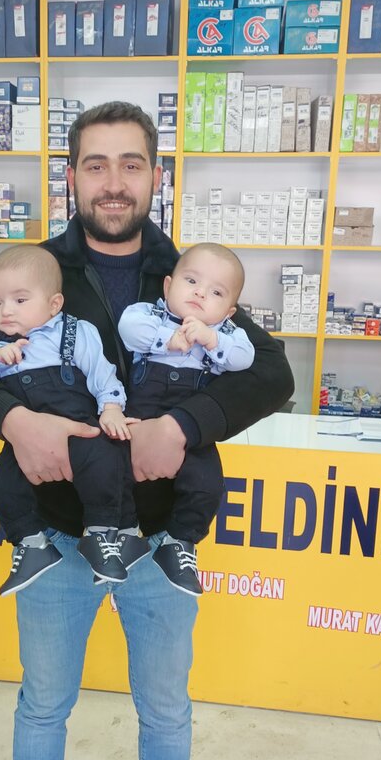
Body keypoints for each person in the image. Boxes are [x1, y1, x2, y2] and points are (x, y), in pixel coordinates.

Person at [0, 101, 294, 760]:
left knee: (166, 708)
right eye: (95, 164)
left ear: (155, 176)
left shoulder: (188, 273)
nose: (113, 182)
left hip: (160, 541)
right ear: (71, 176)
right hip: (56, 535)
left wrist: (185, 426)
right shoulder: (33, 272)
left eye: (130, 164)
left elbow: (271, 371)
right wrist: (13, 419)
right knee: (44, 705)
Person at [0, 243, 147, 594]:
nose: (6, 311)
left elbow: (101, 373)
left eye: (20, 300)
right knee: (0, 488)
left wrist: (112, 408)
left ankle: (102, 535)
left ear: (54, 304)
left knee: (107, 466)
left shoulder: (75, 332)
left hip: (80, 427)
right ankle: (31, 544)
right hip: (27, 443)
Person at [119, 243, 255, 597]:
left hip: (190, 429)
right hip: (138, 417)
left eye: (216, 292)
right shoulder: (149, 314)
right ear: (168, 286)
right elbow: (128, 328)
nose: (200, 293)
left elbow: (245, 357)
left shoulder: (226, 334)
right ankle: (122, 535)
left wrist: (211, 340)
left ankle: (179, 543)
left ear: (229, 311)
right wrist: (169, 341)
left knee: (207, 483)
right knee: (112, 471)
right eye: (191, 281)